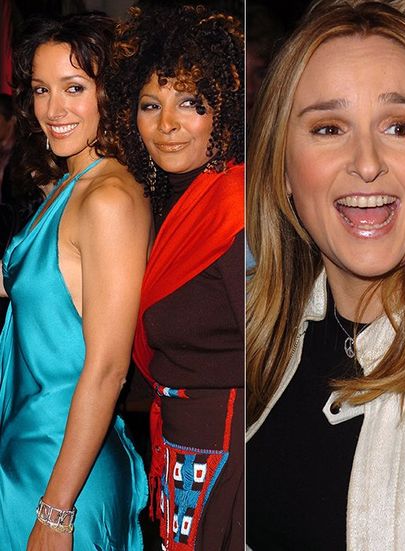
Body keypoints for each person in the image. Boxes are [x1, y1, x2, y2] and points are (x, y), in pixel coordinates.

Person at [244, 3, 405, 549]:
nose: (367, 161)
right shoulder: (259, 329)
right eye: (329, 128)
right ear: (282, 168)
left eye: (399, 127)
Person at [0, 12, 149, 549]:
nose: (53, 109)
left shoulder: (108, 199)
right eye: (42, 90)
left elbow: (108, 369)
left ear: (111, 93)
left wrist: (56, 512)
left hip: (64, 476)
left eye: (74, 88)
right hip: (29, 456)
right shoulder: (72, 185)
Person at [106, 5, 245, 549]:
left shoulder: (235, 206)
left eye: (189, 102)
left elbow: (277, 352)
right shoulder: (164, 201)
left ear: (222, 109)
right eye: (150, 105)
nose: (166, 124)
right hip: (181, 444)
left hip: (232, 451)